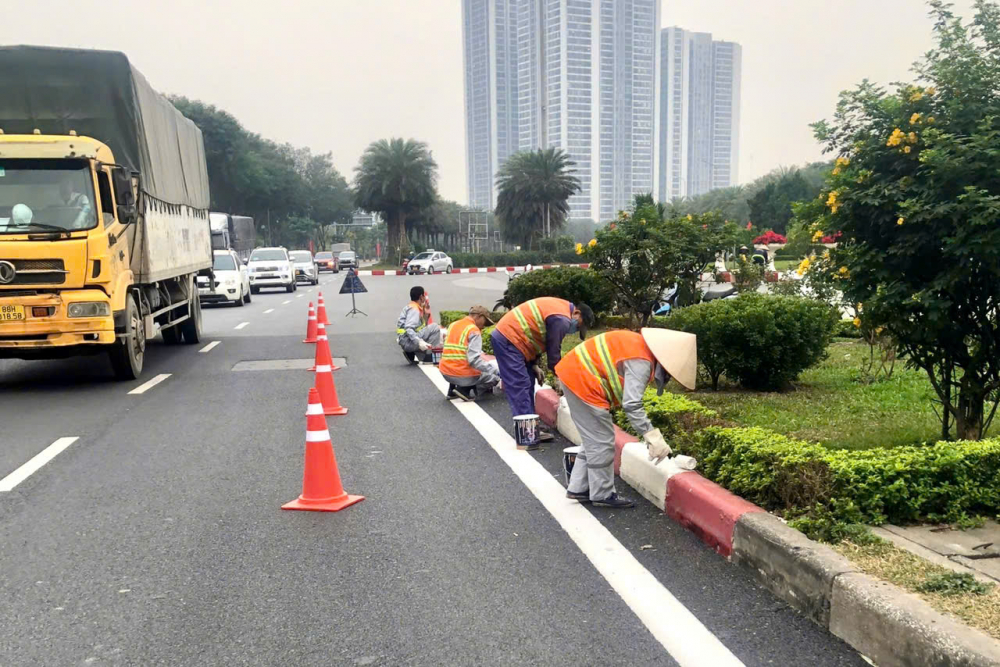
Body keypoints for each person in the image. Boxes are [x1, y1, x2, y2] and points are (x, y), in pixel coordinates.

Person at [555, 328, 697, 508]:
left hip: (574, 375)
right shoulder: (642, 361)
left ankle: (579, 487)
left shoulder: (637, 346)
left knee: (594, 439)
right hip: (584, 382)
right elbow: (631, 404)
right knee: (602, 441)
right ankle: (602, 494)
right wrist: (651, 435)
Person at [491, 297, 594, 449]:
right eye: (578, 326)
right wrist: (560, 376)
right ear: (576, 313)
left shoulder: (559, 309)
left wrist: (534, 365)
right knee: (520, 384)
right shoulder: (561, 319)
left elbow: (538, 338)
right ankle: (527, 433)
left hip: (517, 342)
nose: (574, 330)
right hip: (510, 339)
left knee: (529, 381)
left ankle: (530, 425)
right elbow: (554, 352)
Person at [440, 305, 501, 401]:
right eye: (485, 322)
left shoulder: (453, 324)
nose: (484, 326)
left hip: (445, 371)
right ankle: (465, 389)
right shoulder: (473, 330)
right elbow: (474, 360)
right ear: (479, 316)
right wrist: (497, 372)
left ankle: (452, 390)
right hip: (460, 374)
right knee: (493, 378)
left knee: (460, 362)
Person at [396, 286, 441, 363]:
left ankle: (413, 353)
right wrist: (419, 342)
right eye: (424, 295)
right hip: (408, 341)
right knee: (435, 327)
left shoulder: (411, 306)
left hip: (405, 340)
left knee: (430, 329)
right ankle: (428, 355)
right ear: (421, 297)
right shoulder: (414, 310)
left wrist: (426, 315)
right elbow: (409, 328)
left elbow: (422, 328)